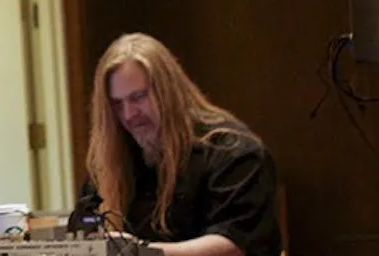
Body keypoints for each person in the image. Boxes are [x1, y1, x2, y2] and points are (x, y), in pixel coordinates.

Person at [68, 33, 280, 256]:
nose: (129, 115)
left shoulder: (235, 153)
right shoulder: (110, 161)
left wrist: (139, 253)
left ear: (169, 91)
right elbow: (83, 228)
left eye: (139, 97)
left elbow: (234, 244)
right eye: (118, 104)